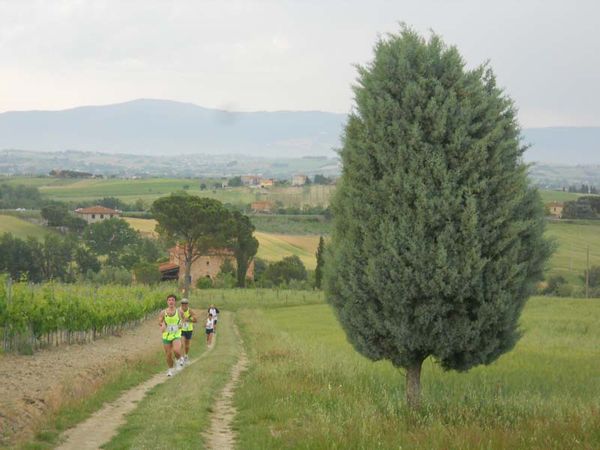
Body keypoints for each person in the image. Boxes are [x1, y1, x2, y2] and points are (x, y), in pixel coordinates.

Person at [158, 294, 185, 377]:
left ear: (175, 302)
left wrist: (181, 324)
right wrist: (162, 325)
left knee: (176, 350)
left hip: (176, 334)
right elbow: (159, 321)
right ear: (167, 302)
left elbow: (183, 319)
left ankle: (180, 358)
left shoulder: (179, 311)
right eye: (169, 300)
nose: (171, 301)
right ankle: (170, 369)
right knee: (168, 354)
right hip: (166, 335)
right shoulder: (163, 312)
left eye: (173, 300)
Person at [179, 297, 197, 364]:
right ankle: (181, 358)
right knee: (182, 344)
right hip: (182, 330)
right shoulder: (179, 311)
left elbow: (196, 320)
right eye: (183, 304)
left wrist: (189, 320)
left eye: (185, 304)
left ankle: (186, 355)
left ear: (187, 304)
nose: (184, 305)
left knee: (187, 345)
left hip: (189, 329)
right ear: (181, 304)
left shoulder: (190, 311)